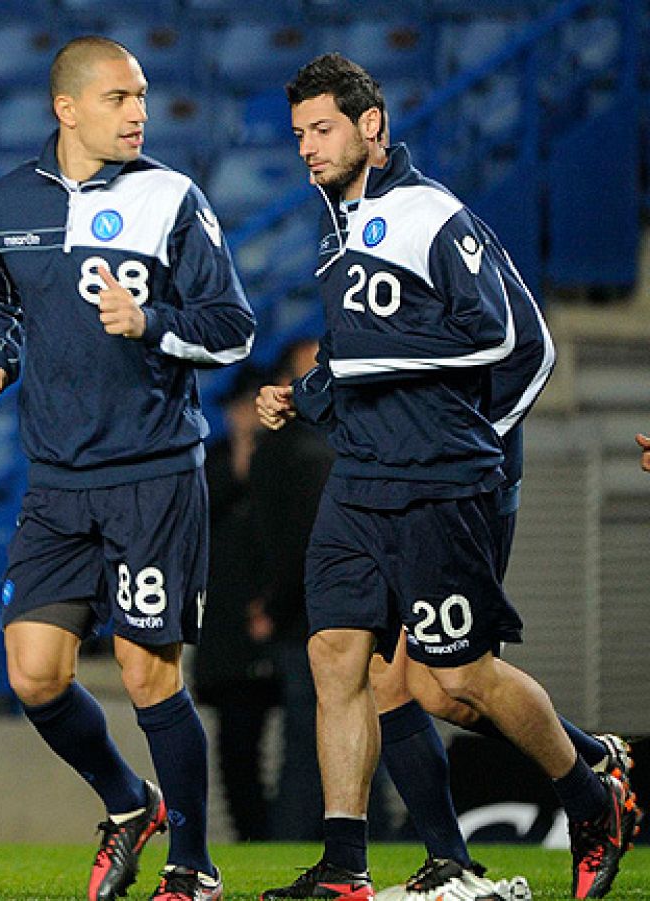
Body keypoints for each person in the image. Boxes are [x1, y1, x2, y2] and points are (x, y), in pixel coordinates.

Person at [256, 53, 637, 901]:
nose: (308, 148)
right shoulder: (337, 231)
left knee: (452, 682)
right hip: (360, 480)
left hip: (441, 479)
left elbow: (513, 340)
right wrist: (308, 392)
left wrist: (476, 448)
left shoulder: (431, 214)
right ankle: (354, 865)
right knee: (343, 659)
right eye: (298, 135)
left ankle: (591, 786)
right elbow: (363, 358)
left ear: (373, 126)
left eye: (322, 130)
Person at [0, 35, 255, 901]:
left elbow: (233, 326)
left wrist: (152, 322)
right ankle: (131, 803)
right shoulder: (6, 200)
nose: (139, 112)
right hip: (55, 479)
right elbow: (0, 308)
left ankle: (194, 867)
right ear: (67, 108)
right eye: (120, 97)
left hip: (153, 471)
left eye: (143, 97)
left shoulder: (171, 196)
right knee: (33, 673)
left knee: (144, 671)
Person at [249, 338, 330, 844]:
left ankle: (305, 842)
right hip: (312, 616)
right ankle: (359, 842)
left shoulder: (289, 450)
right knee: (315, 740)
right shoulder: (303, 451)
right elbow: (291, 541)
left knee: (312, 741)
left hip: (310, 616)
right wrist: (277, 604)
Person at [192, 369, 277, 843]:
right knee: (236, 749)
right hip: (227, 631)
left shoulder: (293, 459)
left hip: (286, 622)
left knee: (308, 742)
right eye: (238, 406)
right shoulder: (210, 464)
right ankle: (256, 834)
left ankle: (298, 831)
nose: (244, 415)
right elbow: (199, 514)